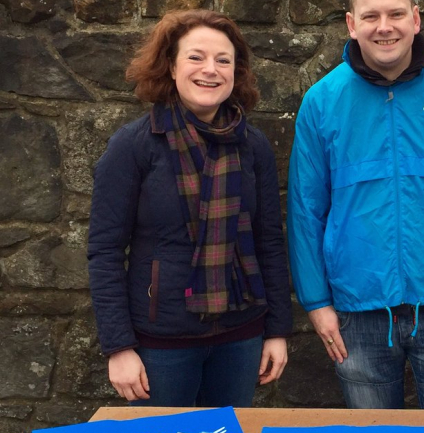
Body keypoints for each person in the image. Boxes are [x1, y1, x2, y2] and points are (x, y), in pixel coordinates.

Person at [287, 0, 424, 409]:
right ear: (352, 24)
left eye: (396, 14)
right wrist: (316, 303)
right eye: (371, 16)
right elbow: (304, 210)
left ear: (416, 19)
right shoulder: (321, 102)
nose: (384, 27)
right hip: (356, 311)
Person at [88, 9, 292, 407]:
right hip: (161, 344)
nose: (210, 70)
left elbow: (269, 242)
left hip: (241, 336)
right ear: (171, 66)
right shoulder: (134, 146)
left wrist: (277, 331)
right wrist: (119, 347)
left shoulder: (252, 145)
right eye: (196, 57)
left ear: (236, 71)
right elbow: (105, 251)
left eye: (223, 60)